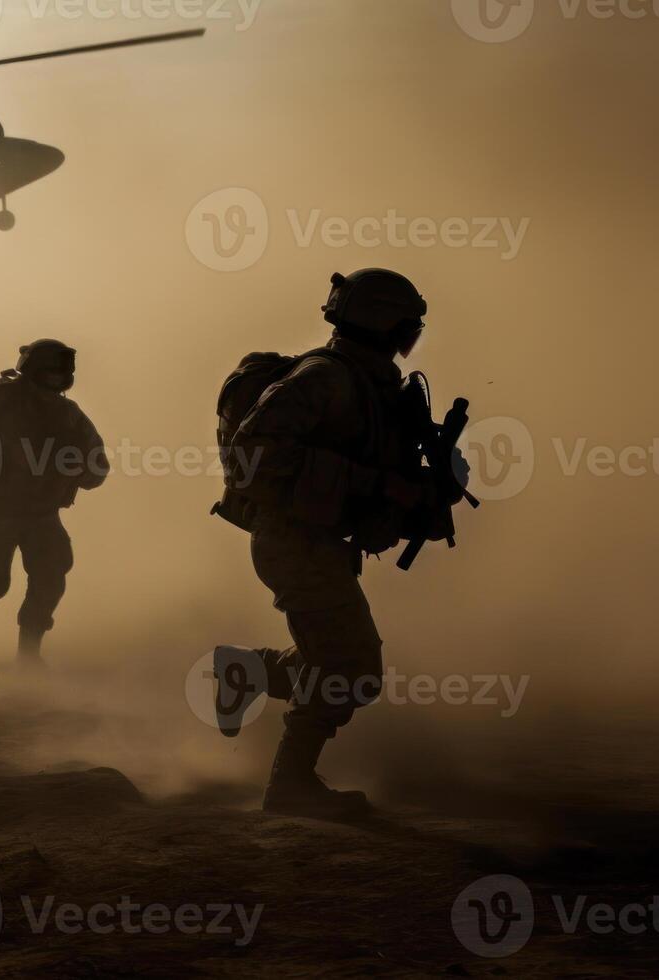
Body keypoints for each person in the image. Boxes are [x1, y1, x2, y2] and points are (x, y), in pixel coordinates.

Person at [210, 268, 465, 820]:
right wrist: (375, 484)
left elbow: (377, 476)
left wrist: (421, 496)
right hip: (290, 539)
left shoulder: (375, 387)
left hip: (319, 541)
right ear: (381, 324)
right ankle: (290, 785)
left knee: (344, 663)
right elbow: (249, 455)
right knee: (352, 668)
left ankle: (247, 671)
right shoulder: (324, 377)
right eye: (406, 328)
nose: (409, 340)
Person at [0, 339, 108, 664]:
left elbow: (98, 467)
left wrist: (78, 467)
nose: (54, 382)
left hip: (41, 513)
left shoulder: (69, 415)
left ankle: (29, 651)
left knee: (50, 577)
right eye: (49, 374)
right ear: (32, 371)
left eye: (60, 376)